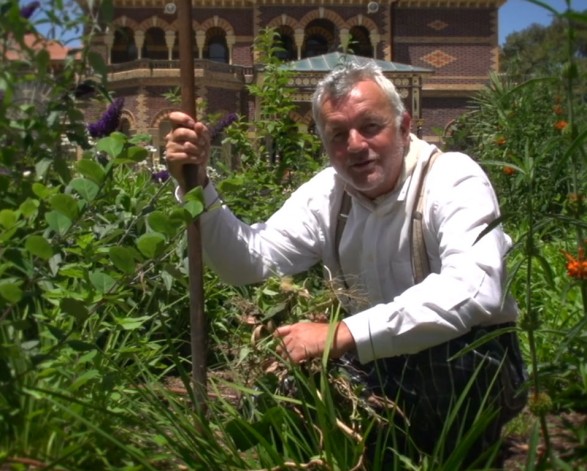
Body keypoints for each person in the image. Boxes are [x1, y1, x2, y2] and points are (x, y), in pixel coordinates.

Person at [165, 60, 527, 465]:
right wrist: (199, 188)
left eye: (370, 126)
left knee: (454, 452)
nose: (355, 145)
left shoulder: (453, 178)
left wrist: (342, 333)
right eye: (338, 134)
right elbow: (249, 261)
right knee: (294, 381)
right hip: (378, 361)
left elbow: (475, 290)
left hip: (468, 361)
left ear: (405, 126)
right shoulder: (328, 194)